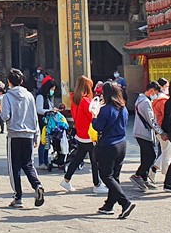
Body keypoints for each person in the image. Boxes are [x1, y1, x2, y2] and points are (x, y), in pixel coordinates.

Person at [0, 69, 45, 209]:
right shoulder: (29, 95)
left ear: (9, 81)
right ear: (22, 81)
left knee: (14, 167)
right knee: (28, 164)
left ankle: (18, 197)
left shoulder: (7, 96)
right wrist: (36, 135)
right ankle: (37, 185)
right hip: (29, 134)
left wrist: (1, 111)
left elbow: (5, 116)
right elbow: (34, 116)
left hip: (14, 134)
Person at [91, 81, 136, 218]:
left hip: (108, 145)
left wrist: (94, 115)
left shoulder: (106, 109)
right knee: (114, 176)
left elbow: (97, 127)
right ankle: (109, 205)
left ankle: (125, 202)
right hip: (122, 143)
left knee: (106, 176)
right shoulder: (123, 108)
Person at [61, 76, 106, 194]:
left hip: (80, 133)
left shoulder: (75, 100)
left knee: (78, 159)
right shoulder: (85, 101)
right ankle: (97, 184)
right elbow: (92, 115)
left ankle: (67, 179)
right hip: (88, 134)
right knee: (94, 161)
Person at [130, 81, 164, 191]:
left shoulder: (140, 99)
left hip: (140, 131)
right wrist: (160, 132)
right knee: (151, 156)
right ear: (152, 90)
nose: (156, 95)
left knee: (145, 156)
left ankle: (144, 178)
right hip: (143, 132)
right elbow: (151, 120)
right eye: (156, 92)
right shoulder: (145, 102)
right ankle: (137, 175)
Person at [150, 78, 171, 185]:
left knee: (165, 152)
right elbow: (166, 116)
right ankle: (169, 176)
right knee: (168, 153)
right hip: (164, 130)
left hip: (158, 129)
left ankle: (153, 169)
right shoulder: (163, 101)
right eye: (166, 86)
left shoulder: (156, 100)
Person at [35, 78, 57, 168]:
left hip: (48, 122)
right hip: (42, 121)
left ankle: (46, 161)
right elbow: (39, 109)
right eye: (52, 89)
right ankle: (41, 162)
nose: (52, 91)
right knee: (43, 141)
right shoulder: (40, 96)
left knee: (47, 141)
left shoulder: (47, 97)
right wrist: (49, 110)